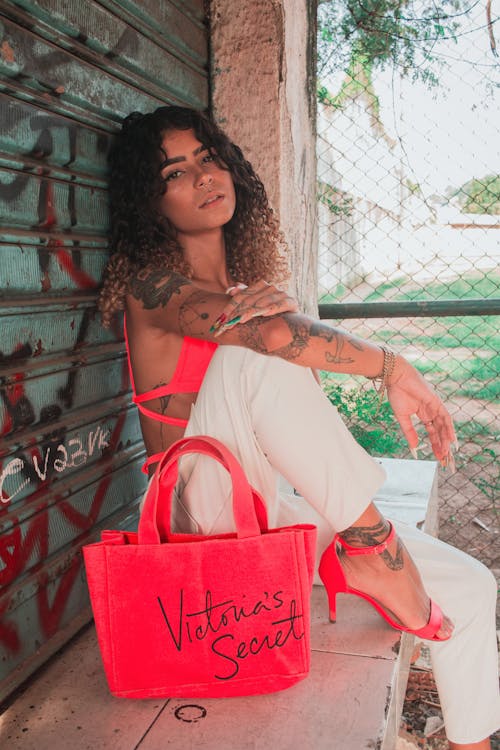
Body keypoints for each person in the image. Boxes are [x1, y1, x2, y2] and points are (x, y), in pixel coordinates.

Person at [98, 106, 499, 748]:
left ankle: (472, 743)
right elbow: (274, 339)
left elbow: (288, 370)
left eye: (208, 157)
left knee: (474, 588)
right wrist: (394, 368)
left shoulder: (250, 290)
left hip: (263, 509)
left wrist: (282, 332)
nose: (204, 176)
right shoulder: (153, 289)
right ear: (151, 202)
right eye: (177, 171)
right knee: (247, 351)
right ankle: (371, 550)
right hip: (194, 520)